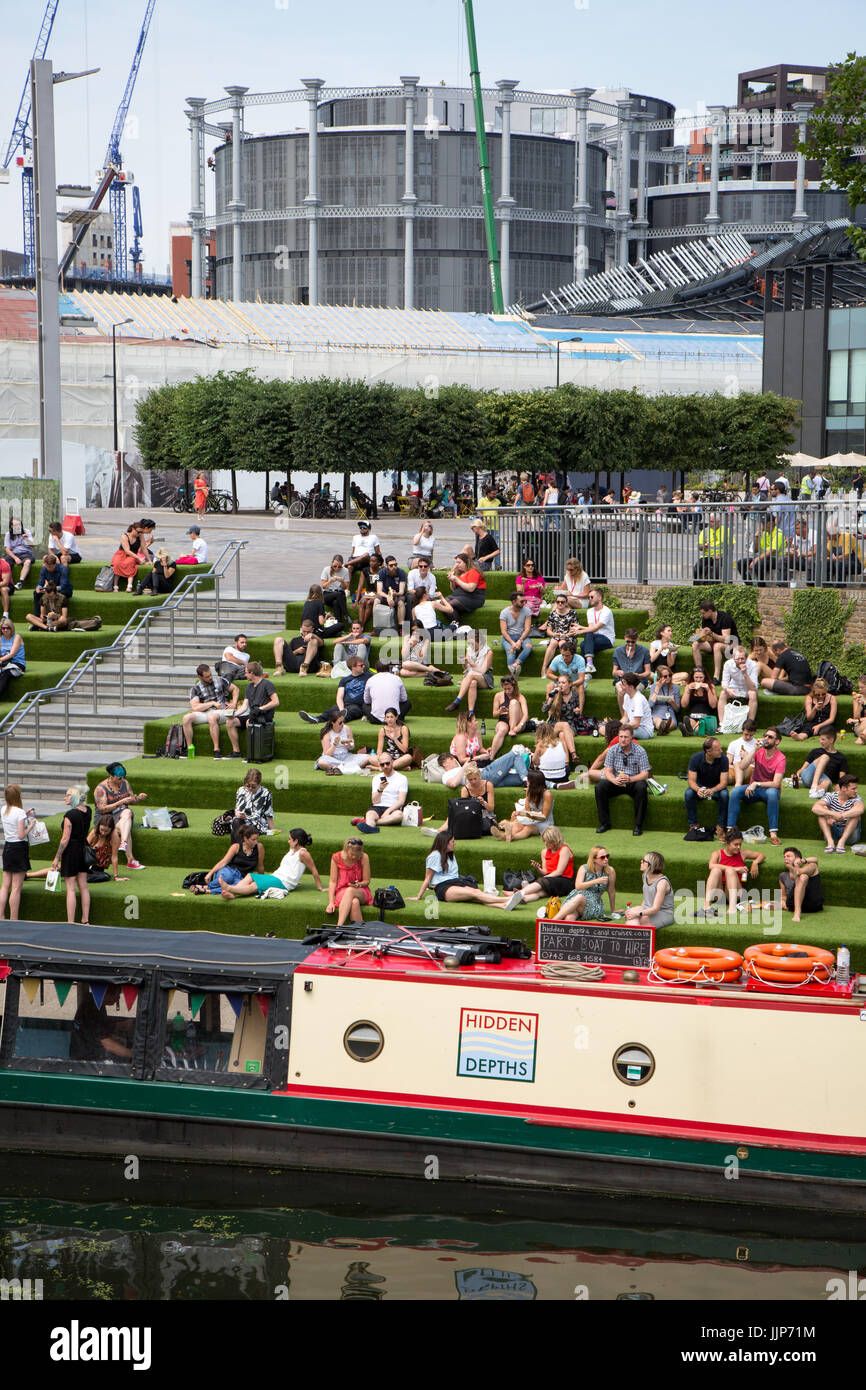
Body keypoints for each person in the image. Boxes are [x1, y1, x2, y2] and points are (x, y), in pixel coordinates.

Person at [412, 829, 515, 908]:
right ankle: (507, 899)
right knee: (474, 893)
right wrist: (418, 896)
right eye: (452, 842)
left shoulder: (450, 853)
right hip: (443, 887)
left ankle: (502, 906)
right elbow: (427, 878)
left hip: (456, 881)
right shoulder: (434, 856)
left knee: (477, 894)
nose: (454, 843)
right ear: (445, 843)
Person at [219, 828, 325, 899]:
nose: (288, 841)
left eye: (290, 839)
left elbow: (314, 870)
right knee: (250, 876)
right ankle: (232, 893)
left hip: (283, 882)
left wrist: (320, 888)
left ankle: (230, 889)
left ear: (296, 841)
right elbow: (292, 867)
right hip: (278, 877)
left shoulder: (303, 853)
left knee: (255, 885)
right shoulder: (292, 850)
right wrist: (296, 879)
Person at [726, 726, 785, 845]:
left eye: (770, 737)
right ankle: (730, 830)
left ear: (777, 741)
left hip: (768, 790)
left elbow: (776, 783)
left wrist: (756, 784)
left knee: (773, 793)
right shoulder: (759, 752)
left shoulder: (781, 758)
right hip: (754, 790)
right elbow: (742, 766)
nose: (766, 738)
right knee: (736, 792)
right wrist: (754, 750)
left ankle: (773, 834)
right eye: (765, 736)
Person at [595, 727, 650, 836]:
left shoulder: (640, 751)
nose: (623, 739)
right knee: (600, 786)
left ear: (631, 738)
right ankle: (605, 823)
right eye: (621, 737)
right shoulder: (612, 750)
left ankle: (638, 826)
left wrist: (630, 779)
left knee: (641, 787)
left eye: (626, 737)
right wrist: (614, 780)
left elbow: (645, 774)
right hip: (617, 781)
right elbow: (607, 771)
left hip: (633, 781)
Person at [50, 787, 93, 924]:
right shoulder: (88, 811)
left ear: (74, 797)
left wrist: (57, 858)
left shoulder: (70, 814)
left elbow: (65, 839)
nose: (65, 797)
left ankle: (70, 921)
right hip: (83, 848)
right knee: (83, 886)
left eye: (68, 795)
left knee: (71, 888)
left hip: (71, 850)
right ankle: (85, 919)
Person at [183, 663, 242, 758]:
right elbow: (195, 707)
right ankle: (190, 749)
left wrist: (234, 703)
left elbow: (235, 689)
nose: (210, 678)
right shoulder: (196, 688)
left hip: (221, 711)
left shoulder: (220, 681)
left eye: (210, 675)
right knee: (186, 718)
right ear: (199, 677)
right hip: (205, 712)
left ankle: (216, 750)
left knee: (212, 717)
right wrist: (212, 703)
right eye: (207, 677)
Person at [93, 763, 146, 869]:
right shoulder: (100, 789)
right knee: (125, 825)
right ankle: (130, 860)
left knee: (127, 812)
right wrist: (120, 802)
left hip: (121, 815)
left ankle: (124, 842)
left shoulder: (125, 783)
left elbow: (131, 800)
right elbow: (103, 809)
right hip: (106, 819)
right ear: (111, 776)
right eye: (118, 778)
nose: (121, 780)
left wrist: (138, 798)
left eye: (122, 778)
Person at [702, 829, 764, 917]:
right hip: (719, 893)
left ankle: (732, 908)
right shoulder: (717, 854)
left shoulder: (742, 853)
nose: (738, 847)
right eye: (735, 844)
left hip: (736, 894)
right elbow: (711, 866)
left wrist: (755, 862)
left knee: (729, 871)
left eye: (740, 844)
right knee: (716, 870)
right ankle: (706, 907)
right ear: (727, 843)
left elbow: (761, 855)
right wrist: (736, 869)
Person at [193, 823, 265, 895]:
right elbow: (224, 862)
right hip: (229, 870)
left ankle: (206, 890)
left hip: (241, 877)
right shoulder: (236, 847)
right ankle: (207, 887)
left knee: (238, 888)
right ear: (245, 838)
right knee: (227, 878)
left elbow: (260, 866)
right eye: (253, 840)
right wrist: (210, 873)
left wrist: (262, 881)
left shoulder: (259, 847)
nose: (256, 842)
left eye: (257, 839)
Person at [69, 984, 133, 1063]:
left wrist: (118, 1025)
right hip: (86, 1060)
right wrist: (133, 1054)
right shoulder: (92, 1008)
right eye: (117, 994)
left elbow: (98, 1029)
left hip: (84, 1054)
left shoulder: (94, 1002)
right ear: (106, 993)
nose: (118, 998)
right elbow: (107, 1044)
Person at [300, 655, 371, 725]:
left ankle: (340, 720)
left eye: (363, 665)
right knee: (330, 711)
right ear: (353, 667)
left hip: (358, 706)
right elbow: (339, 697)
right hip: (344, 704)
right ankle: (317, 719)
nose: (363, 666)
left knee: (351, 711)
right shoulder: (345, 680)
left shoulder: (369, 677)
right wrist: (341, 709)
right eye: (361, 665)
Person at [553, 846, 616, 922]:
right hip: (576, 900)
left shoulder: (610, 871)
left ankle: (553, 921)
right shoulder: (584, 868)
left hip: (594, 903)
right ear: (594, 859)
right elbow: (578, 886)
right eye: (602, 857)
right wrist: (596, 881)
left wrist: (613, 910)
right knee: (569, 917)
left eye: (607, 856)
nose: (606, 859)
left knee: (579, 897)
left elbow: (611, 891)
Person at [513, 827, 575, 906]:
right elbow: (545, 872)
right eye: (544, 841)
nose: (546, 843)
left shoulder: (564, 849)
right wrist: (538, 868)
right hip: (551, 881)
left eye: (548, 841)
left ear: (555, 840)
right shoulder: (544, 852)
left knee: (542, 881)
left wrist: (545, 878)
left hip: (565, 880)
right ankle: (524, 898)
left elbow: (559, 871)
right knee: (540, 892)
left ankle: (519, 893)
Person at [0, 784, 35, 920]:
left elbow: (14, 823)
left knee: (5, 886)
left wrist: (24, 816)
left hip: (8, 847)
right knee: (16, 888)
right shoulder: (19, 812)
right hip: (19, 848)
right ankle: (14, 918)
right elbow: (21, 835)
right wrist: (30, 826)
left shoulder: (4, 809)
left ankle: (1, 915)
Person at [492, 767, 553, 843]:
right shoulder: (529, 791)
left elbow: (544, 816)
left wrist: (523, 814)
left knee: (528, 828)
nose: (526, 782)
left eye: (528, 780)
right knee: (517, 826)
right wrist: (518, 813)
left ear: (533, 783)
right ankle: (506, 836)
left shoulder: (547, 794)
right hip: (531, 819)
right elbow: (527, 809)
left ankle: (510, 837)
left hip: (544, 822)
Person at [685, 736, 730, 838]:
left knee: (724, 794)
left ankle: (721, 826)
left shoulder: (724, 759)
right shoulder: (695, 758)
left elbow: (724, 783)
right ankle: (693, 825)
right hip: (700, 787)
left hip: (717, 788)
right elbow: (691, 781)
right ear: (708, 751)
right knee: (688, 794)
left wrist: (713, 790)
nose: (721, 751)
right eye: (718, 749)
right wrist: (698, 789)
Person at [352, 755, 409, 833]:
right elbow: (374, 801)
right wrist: (380, 789)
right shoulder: (376, 778)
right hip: (378, 807)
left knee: (399, 815)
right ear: (379, 765)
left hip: (393, 807)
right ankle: (370, 827)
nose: (385, 766)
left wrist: (388, 811)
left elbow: (401, 801)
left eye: (387, 763)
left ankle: (368, 822)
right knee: (370, 814)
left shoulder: (402, 778)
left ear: (392, 762)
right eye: (382, 764)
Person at [444, 629, 493, 716]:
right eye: (469, 643)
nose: (471, 645)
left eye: (473, 643)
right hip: (472, 676)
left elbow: (483, 670)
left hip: (485, 678)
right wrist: (464, 663)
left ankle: (456, 701)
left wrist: (471, 663)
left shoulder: (489, 652)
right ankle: (471, 712)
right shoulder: (469, 649)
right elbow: (466, 669)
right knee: (473, 683)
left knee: (471, 674)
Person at [326, 837, 373, 925]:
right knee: (354, 902)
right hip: (342, 892)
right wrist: (331, 902)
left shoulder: (364, 857)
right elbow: (333, 881)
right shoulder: (336, 857)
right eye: (351, 854)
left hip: (361, 890)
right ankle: (359, 931)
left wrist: (358, 884)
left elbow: (366, 881)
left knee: (350, 890)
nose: (354, 857)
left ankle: (339, 926)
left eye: (357, 855)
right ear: (346, 850)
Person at [811, 774, 863, 852]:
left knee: (856, 815)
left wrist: (841, 816)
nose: (856, 791)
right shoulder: (831, 796)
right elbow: (815, 808)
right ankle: (830, 842)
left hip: (850, 836)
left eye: (856, 788)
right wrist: (832, 814)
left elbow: (860, 809)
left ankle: (841, 842)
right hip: (832, 833)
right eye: (853, 789)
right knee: (822, 810)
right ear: (843, 788)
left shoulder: (856, 798)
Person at [690, 599, 738, 682]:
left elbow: (726, 639)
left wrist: (712, 633)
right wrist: (699, 638)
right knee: (695, 644)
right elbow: (705, 638)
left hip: (732, 644)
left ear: (710, 611)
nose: (702, 615)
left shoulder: (725, 618)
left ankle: (716, 677)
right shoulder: (705, 619)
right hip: (715, 641)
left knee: (717, 646)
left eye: (703, 613)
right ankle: (700, 673)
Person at [316, 710, 376, 776]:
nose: (342, 724)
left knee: (367, 757)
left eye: (343, 722)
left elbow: (352, 747)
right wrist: (334, 745)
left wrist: (348, 744)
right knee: (321, 762)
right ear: (333, 723)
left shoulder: (347, 729)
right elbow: (327, 754)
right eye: (340, 723)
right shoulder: (327, 733)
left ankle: (338, 768)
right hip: (333, 758)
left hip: (347, 757)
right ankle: (340, 767)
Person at [625, 851, 675, 928]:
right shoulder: (644, 876)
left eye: (644, 861)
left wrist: (638, 913)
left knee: (633, 919)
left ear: (651, 865)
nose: (641, 861)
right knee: (629, 913)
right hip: (648, 909)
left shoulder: (662, 882)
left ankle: (634, 938)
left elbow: (655, 908)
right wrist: (639, 910)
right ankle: (634, 937)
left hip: (662, 913)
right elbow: (646, 898)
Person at [794, 726, 847, 796]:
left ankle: (818, 793)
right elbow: (803, 768)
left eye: (823, 739)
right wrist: (796, 775)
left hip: (823, 780)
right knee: (825, 757)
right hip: (808, 776)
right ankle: (814, 786)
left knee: (827, 782)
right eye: (820, 739)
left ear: (831, 740)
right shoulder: (815, 751)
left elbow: (842, 777)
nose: (820, 741)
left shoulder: (840, 757)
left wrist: (840, 785)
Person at [487, 675, 531, 758]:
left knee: (513, 702)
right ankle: (491, 756)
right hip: (504, 719)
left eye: (509, 689)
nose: (507, 691)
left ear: (514, 687)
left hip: (518, 721)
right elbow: (494, 714)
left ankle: (512, 728)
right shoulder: (498, 696)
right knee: (501, 730)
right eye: (505, 689)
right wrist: (500, 711)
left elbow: (525, 715)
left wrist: (519, 726)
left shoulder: (520, 697)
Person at [433, 554, 487, 621]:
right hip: (459, 596)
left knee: (449, 605)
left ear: (467, 562)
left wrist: (456, 579)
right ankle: (458, 625)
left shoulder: (473, 571)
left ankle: (459, 625)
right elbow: (454, 590)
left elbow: (471, 588)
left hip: (473, 597)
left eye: (459, 562)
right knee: (442, 603)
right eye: (456, 562)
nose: (457, 565)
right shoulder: (460, 573)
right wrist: (452, 581)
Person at [574, 588, 615, 674]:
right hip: (594, 638)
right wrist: (580, 627)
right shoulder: (590, 611)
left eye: (591, 597)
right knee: (583, 644)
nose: (589, 599)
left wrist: (581, 631)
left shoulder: (606, 611)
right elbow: (591, 627)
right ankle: (589, 667)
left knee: (584, 642)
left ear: (599, 598)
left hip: (607, 639)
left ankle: (586, 668)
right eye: (588, 597)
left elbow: (596, 628)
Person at [779, 847, 824, 924]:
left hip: (813, 903)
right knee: (803, 877)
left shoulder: (807, 868)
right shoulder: (783, 876)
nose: (785, 858)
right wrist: (782, 903)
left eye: (788, 856)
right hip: (792, 904)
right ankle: (797, 912)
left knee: (810, 869)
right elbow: (783, 896)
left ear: (797, 858)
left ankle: (798, 871)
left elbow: (815, 859)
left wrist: (803, 861)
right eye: (784, 857)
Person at [235, 662, 279, 739]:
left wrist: (260, 709)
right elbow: (244, 707)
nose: (245, 675)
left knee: (249, 721)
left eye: (246, 673)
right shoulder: (249, 687)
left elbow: (276, 702)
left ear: (251, 673)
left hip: (264, 715)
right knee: (231, 722)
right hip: (253, 715)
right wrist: (233, 715)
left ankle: (253, 749)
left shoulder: (267, 684)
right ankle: (236, 750)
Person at [540, 594, 581, 675]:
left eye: (562, 602)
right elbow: (548, 630)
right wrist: (553, 634)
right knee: (553, 642)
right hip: (556, 636)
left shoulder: (572, 613)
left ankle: (565, 670)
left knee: (562, 643)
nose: (560, 604)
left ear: (566, 603)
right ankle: (544, 668)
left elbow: (574, 630)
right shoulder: (552, 613)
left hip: (569, 637)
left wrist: (565, 635)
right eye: (558, 602)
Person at [718, 646, 759, 726]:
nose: (740, 661)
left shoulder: (753, 665)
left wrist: (745, 674)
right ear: (733, 658)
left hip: (747, 689)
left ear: (746, 658)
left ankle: (749, 724)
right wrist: (728, 690)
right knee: (723, 693)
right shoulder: (728, 664)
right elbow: (724, 683)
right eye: (737, 659)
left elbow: (753, 687)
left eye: (742, 659)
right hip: (734, 688)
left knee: (753, 694)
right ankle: (722, 723)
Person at [612, 629, 652, 707]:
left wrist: (640, 675)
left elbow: (648, 672)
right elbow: (613, 672)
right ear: (625, 638)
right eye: (628, 641)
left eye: (633, 642)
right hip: (622, 680)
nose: (630, 644)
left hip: (638, 680)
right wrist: (617, 672)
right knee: (621, 691)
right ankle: (624, 716)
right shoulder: (618, 651)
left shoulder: (644, 651)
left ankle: (633, 716)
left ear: (637, 639)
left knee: (633, 691)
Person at [86, 813, 128, 882]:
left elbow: (114, 856)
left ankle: (81, 876)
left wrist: (116, 876)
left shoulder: (114, 836)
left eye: (106, 831)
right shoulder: (95, 832)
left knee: (106, 876)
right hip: (87, 863)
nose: (103, 833)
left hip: (98, 868)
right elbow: (83, 848)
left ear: (111, 829)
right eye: (101, 830)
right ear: (99, 826)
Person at [499, 591, 533, 676]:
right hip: (508, 637)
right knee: (511, 652)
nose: (524, 603)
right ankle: (512, 675)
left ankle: (516, 664)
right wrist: (512, 643)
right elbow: (503, 631)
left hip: (522, 636)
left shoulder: (527, 611)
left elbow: (527, 628)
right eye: (521, 601)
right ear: (514, 602)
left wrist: (520, 640)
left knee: (528, 647)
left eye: (524, 601)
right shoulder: (504, 612)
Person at [234, 767, 275, 835]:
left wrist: (272, 829)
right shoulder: (241, 790)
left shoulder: (266, 793)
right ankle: (241, 845)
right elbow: (237, 807)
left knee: (238, 826)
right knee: (236, 822)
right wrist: (237, 813)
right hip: (240, 821)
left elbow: (269, 814)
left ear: (259, 784)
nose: (250, 788)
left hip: (256, 823)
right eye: (248, 785)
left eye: (253, 786)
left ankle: (239, 845)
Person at [679, 666, 719, 736]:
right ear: (693, 677)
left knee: (698, 728)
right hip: (692, 716)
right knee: (689, 723)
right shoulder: (689, 686)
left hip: (705, 717)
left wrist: (708, 690)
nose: (698, 680)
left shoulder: (711, 686)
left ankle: (690, 731)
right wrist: (688, 690)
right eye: (696, 677)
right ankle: (688, 729)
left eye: (701, 677)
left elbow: (713, 705)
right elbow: (683, 705)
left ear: (705, 677)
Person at [347, 520, 383, 595]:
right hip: (355, 560)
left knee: (366, 555)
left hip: (367, 560)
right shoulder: (355, 537)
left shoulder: (373, 537)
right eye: (360, 527)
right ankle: (347, 590)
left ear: (369, 529)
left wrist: (382, 562)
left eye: (364, 527)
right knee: (350, 567)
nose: (362, 529)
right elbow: (353, 552)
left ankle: (345, 564)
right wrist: (351, 557)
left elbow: (378, 551)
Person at [110, 522, 146, 592]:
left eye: (141, 532)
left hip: (133, 555)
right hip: (122, 553)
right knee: (117, 563)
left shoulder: (140, 536)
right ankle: (115, 586)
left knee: (130, 562)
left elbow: (144, 548)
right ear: (133, 529)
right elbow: (127, 550)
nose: (140, 534)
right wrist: (139, 558)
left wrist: (149, 560)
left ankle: (129, 586)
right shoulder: (125, 536)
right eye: (138, 532)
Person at [619, 673, 655, 740]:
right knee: (607, 729)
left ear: (631, 687)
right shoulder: (626, 696)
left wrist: (620, 727)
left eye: (623, 684)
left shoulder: (639, 699)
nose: (621, 686)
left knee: (620, 733)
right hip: (632, 727)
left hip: (645, 730)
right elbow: (625, 717)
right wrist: (616, 725)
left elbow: (636, 724)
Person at [375, 555, 408, 628]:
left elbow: (401, 591)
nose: (394, 567)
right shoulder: (381, 572)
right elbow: (379, 591)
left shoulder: (401, 572)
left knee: (401, 603)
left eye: (395, 565)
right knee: (376, 601)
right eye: (391, 565)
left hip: (397, 594)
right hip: (385, 594)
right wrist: (388, 597)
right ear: (386, 566)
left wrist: (394, 594)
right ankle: (376, 626)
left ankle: (400, 626)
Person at [648, 666, 680, 734]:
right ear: (659, 677)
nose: (668, 677)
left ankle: (663, 729)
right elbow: (650, 705)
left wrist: (672, 702)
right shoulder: (654, 686)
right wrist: (657, 688)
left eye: (670, 675)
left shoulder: (675, 688)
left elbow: (677, 709)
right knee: (658, 720)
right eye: (665, 676)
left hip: (669, 712)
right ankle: (663, 729)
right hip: (657, 712)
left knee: (671, 723)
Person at [4, 518, 35, 588]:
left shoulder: (27, 531)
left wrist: (26, 539)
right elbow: (7, 549)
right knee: (5, 563)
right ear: (11, 526)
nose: (18, 526)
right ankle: (6, 582)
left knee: (27, 562)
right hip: (14, 554)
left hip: (26, 553)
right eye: (15, 525)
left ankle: (20, 583)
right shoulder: (8, 534)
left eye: (19, 524)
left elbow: (33, 545)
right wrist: (15, 558)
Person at [320, 554, 351, 627]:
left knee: (336, 602)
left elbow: (345, 587)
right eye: (335, 566)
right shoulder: (326, 569)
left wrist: (342, 581)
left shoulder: (345, 571)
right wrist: (330, 581)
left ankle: (339, 626)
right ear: (332, 564)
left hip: (339, 593)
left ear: (342, 565)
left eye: (339, 566)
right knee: (339, 595)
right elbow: (323, 586)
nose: (337, 568)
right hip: (328, 594)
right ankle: (346, 614)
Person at [727, 719, 760, 785]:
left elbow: (760, 765)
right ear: (742, 730)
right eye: (746, 734)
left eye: (751, 735)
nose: (748, 737)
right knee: (724, 777)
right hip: (735, 770)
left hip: (750, 770)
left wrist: (747, 758)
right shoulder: (734, 743)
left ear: (754, 733)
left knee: (740, 765)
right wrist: (735, 768)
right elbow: (727, 763)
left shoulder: (757, 745)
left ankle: (738, 784)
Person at [356, 554, 385, 628]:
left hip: (379, 592)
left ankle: (363, 625)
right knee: (363, 602)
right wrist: (357, 600)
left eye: (373, 561)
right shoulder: (365, 570)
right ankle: (360, 624)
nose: (371, 563)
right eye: (370, 561)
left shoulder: (382, 571)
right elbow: (360, 585)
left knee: (369, 603)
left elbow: (381, 588)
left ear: (379, 562)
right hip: (368, 593)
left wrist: (375, 580)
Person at [0, 618, 26, 700]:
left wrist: (1, 659)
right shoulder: (0, 638)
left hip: (17, 664)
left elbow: (12, 654)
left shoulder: (17, 637)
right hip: (4, 663)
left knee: (5, 674)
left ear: (12, 628)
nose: (5, 630)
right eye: (3, 628)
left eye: (8, 628)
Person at [846, 673, 866, 744]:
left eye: (862, 687)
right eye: (859, 687)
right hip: (860, 726)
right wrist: (859, 705)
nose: (860, 690)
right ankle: (863, 737)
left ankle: (862, 738)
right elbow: (855, 717)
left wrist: (856, 720)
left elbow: (855, 720)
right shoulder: (857, 698)